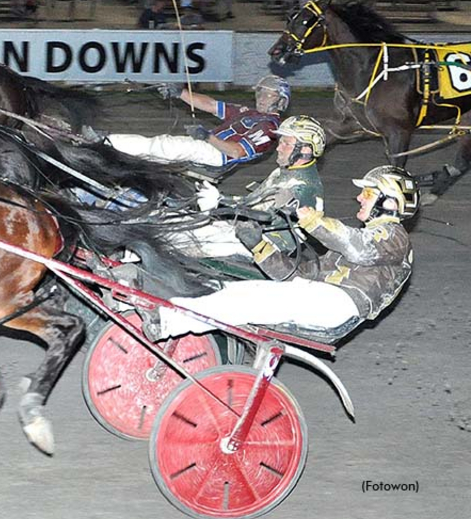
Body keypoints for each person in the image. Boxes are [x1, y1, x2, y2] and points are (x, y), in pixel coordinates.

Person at [144, 165, 417, 341]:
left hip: (340, 303)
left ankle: (165, 321)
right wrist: (258, 246)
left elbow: (355, 246)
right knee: (233, 289)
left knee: (245, 299)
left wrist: (311, 219)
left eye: (368, 194)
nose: (359, 198)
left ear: (389, 202)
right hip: (325, 296)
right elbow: (294, 275)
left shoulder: (394, 236)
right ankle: (163, 309)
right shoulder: (365, 242)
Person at [169, 115, 326, 260]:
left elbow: (260, 215)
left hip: (268, 246)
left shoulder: (300, 185)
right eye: (281, 142)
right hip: (256, 233)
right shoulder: (285, 172)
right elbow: (252, 202)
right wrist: (220, 199)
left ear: (305, 150)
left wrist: (219, 202)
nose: (278, 148)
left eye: (286, 144)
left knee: (184, 240)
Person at [107, 74, 290, 167]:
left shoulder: (269, 128)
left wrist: (207, 137)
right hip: (209, 146)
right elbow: (210, 105)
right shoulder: (247, 112)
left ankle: (106, 142)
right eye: (260, 92)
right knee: (156, 157)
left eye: (269, 95)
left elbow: (237, 152)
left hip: (217, 155)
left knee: (165, 145)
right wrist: (180, 92)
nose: (262, 98)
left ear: (280, 101)